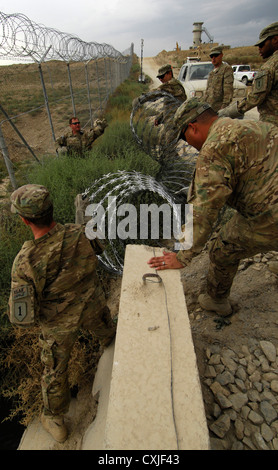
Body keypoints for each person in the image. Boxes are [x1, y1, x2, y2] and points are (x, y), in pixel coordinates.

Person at [148, 98, 278, 316]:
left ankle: (216, 300)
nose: (188, 143)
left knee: (223, 248)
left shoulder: (214, 148)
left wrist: (182, 255)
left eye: (184, 137)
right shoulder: (252, 125)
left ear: (192, 127)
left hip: (271, 215)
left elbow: (204, 210)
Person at [8, 184, 116, 443]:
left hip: (58, 325)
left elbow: (23, 318)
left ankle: (55, 420)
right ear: (51, 209)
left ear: (24, 219)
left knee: (55, 369)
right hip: (91, 304)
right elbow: (98, 248)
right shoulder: (79, 231)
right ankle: (108, 339)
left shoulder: (26, 261)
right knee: (105, 328)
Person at [219, 22, 278, 126]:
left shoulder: (270, 67)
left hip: (273, 125)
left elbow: (254, 98)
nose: (259, 49)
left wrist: (226, 113)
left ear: (275, 39)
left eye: (261, 45)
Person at [203, 46, 234, 112]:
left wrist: (222, 110)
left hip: (219, 110)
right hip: (209, 109)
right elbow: (207, 92)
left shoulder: (226, 69)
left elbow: (228, 93)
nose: (213, 58)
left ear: (221, 55)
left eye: (216, 55)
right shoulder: (212, 73)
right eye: (212, 56)